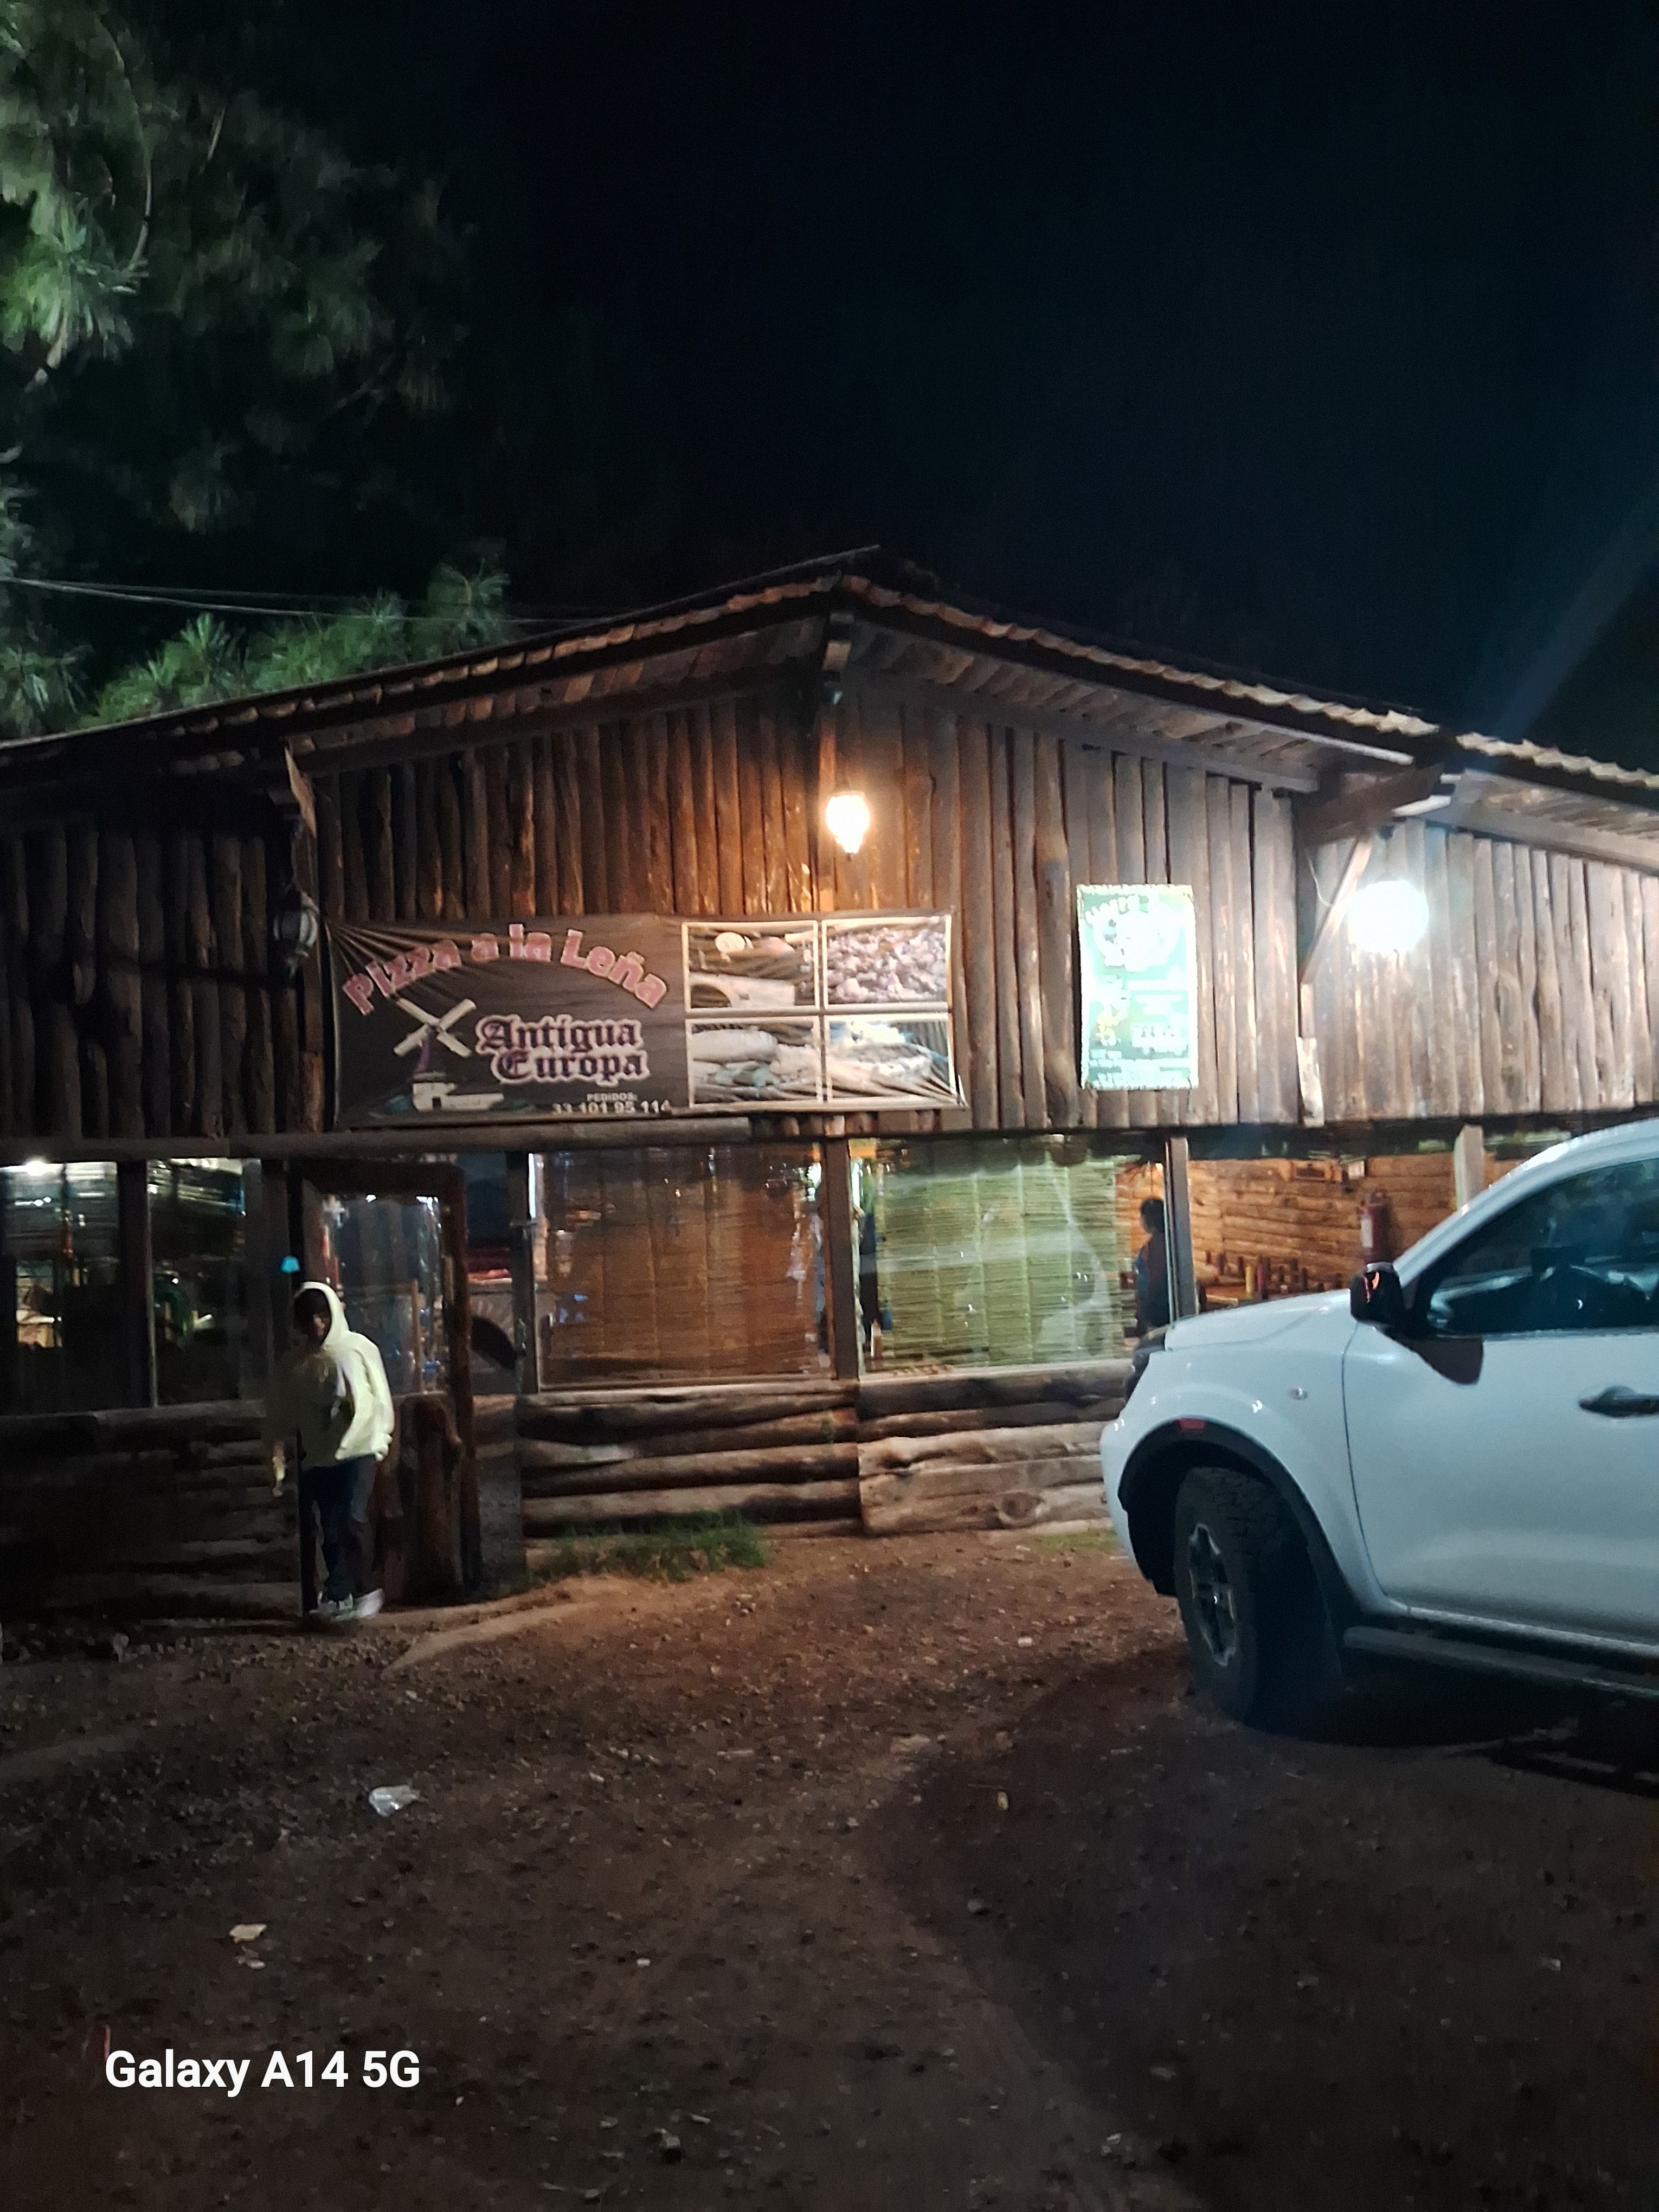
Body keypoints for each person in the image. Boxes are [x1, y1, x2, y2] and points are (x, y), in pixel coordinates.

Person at [265, 1281, 395, 1625]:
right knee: (330, 1526)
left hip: (359, 1450)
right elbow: (280, 1411)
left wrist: (380, 1438)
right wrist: (276, 1453)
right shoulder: (294, 1365)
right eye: (309, 1319)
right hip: (319, 1456)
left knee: (352, 1520)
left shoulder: (358, 1349)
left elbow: (379, 1397)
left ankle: (366, 1589)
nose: (317, 1325)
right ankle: (340, 1593)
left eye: (321, 1316)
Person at [1131, 1197, 1171, 1336]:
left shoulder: (1157, 1246)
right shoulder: (1162, 1242)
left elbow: (1154, 1280)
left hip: (1157, 1311)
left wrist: (1145, 1313)